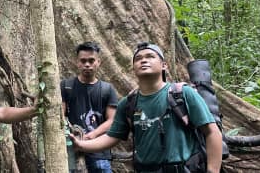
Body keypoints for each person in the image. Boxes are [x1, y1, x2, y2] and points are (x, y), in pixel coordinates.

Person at [70, 42, 223, 173]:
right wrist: (81, 145)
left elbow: (211, 131)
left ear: (164, 65)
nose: (143, 60)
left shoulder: (182, 94)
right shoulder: (128, 103)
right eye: (138, 59)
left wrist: (213, 170)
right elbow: (112, 136)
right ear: (133, 68)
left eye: (150, 56)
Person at [61, 42, 118, 173]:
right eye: (83, 61)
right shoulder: (66, 86)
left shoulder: (107, 89)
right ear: (77, 62)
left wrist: (92, 135)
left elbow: (112, 120)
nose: (87, 64)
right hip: (71, 150)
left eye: (91, 60)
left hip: (99, 152)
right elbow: (60, 116)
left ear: (98, 62)